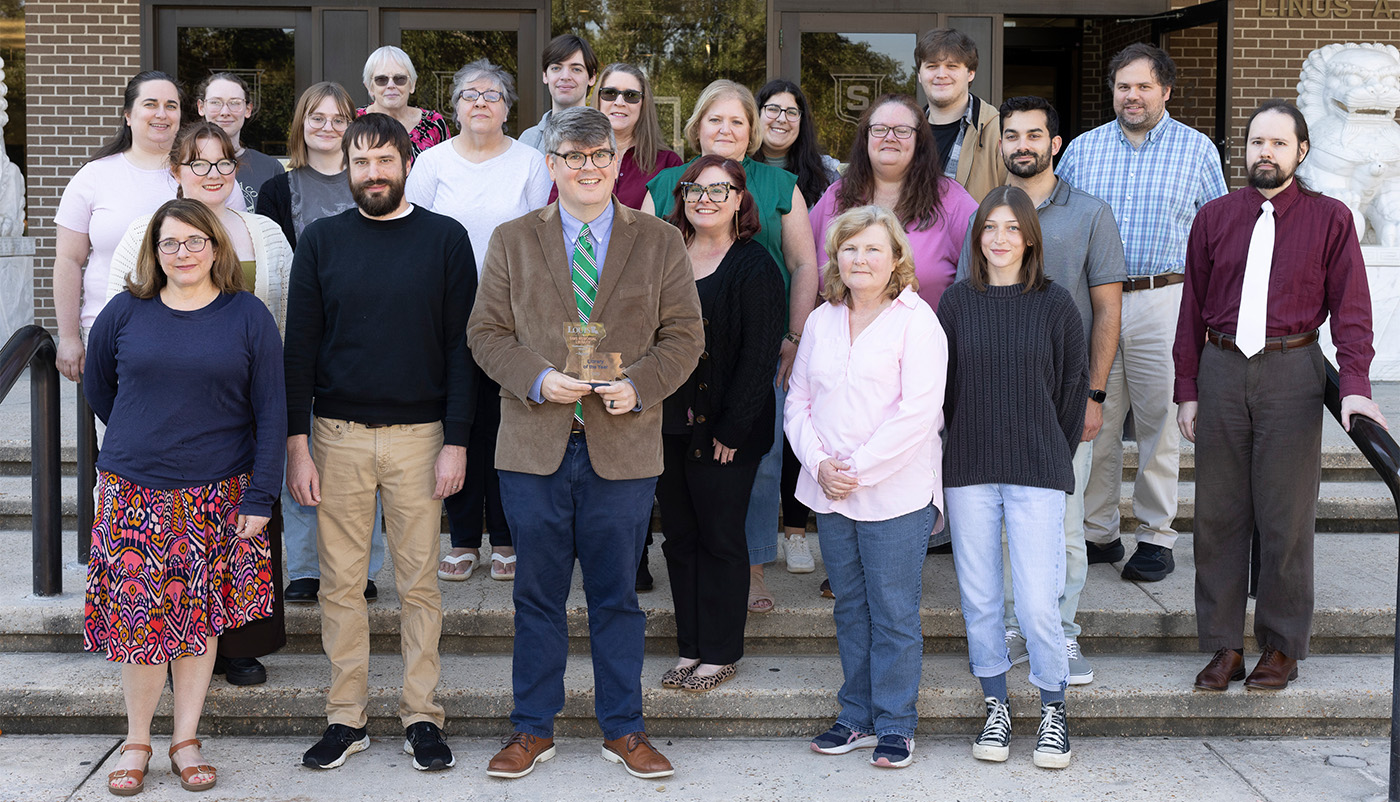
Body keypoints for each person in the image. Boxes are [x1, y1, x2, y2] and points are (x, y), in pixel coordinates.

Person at [469, 106, 702, 781]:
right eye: (573, 155)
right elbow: (486, 333)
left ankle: (624, 729)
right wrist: (538, 379)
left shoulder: (659, 240)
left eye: (600, 155)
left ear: (617, 163)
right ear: (552, 165)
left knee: (616, 599)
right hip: (534, 446)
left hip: (622, 447)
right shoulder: (513, 240)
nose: (588, 166)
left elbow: (685, 335)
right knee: (536, 596)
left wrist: (642, 386)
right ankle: (531, 729)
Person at [285, 113, 476, 773]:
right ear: (348, 168)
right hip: (335, 436)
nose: (372, 173)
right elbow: (298, 349)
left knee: (419, 584)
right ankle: (347, 718)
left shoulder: (445, 240)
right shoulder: (321, 242)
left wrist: (457, 440)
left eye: (383, 161)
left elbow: (461, 349)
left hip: (421, 440)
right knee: (341, 584)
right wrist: (295, 442)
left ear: (406, 164)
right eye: (360, 162)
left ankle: (422, 716)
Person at [1175, 100, 1386, 692]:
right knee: (1217, 515)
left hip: (1292, 372)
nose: (1264, 152)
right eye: (1256, 142)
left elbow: (1351, 311)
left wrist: (1355, 386)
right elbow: (1191, 307)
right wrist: (1187, 388)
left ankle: (1280, 646)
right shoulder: (1214, 217)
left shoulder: (1331, 219)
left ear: (1301, 151)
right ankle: (1222, 645)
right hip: (1220, 369)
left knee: (1285, 515)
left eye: (1277, 143)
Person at [84, 197, 286, 795]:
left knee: (199, 622)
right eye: (169, 243)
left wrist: (261, 495)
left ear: (216, 248)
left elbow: (272, 412)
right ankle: (138, 739)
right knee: (141, 625)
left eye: (195, 242)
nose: (183, 253)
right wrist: (144, 434)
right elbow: (101, 388)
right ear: (154, 251)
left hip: (219, 491)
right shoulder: (125, 312)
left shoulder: (247, 315)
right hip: (134, 490)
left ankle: (186, 738)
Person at [103, 121, 295, 688]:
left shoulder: (264, 232)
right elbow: (117, 337)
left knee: (239, 537)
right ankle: (162, 648)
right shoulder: (150, 229)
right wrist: (143, 420)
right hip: (165, 417)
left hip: (244, 397)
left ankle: (237, 645)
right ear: (177, 171)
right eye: (198, 164)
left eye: (223, 163)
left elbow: (281, 317)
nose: (212, 174)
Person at [954, 96, 1126, 686]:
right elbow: (963, 310)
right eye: (1011, 134)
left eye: (1035, 133)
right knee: (997, 534)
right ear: (999, 144)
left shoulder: (1091, 213)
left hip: (1061, 397)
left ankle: (1061, 630)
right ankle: (1011, 626)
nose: (1021, 143)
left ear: (1056, 143)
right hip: (990, 406)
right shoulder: (985, 213)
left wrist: (1095, 397)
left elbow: (1106, 309)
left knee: (1064, 525)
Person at [645, 79, 820, 615]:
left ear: (754, 131)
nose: (725, 130)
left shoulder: (780, 184)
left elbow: (804, 264)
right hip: (677, 356)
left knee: (756, 457)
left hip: (753, 347)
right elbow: (642, 269)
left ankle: (751, 566)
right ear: (697, 127)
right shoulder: (667, 183)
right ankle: (701, 565)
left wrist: (793, 338)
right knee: (680, 464)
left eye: (738, 122)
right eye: (715, 120)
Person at [1058, 43, 1227, 583]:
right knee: (1096, 420)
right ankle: (1099, 530)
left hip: (1165, 300)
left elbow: (1218, 237)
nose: (1132, 96)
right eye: (1123, 86)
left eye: (1143, 86)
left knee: (1160, 423)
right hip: (1095, 299)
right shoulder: (1083, 150)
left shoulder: (1197, 150)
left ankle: (1155, 536)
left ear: (1166, 91)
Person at [787, 205, 945, 770]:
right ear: (836, 257)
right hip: (830, 490)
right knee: (851, 607)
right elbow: (798, 400)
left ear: (896, 257)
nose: (860, 258)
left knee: (894, 611)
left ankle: (897, 724)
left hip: (896, 493)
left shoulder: (917, 321)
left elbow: (918, 414)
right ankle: (855, 714)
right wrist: (821, 463)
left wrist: (857, 469)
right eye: (850, 248)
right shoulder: (824, 319)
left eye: (873, 248)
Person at [940, 185, 1086, 770]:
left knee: (1035, 602)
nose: (999, 238)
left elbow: (1073, 391)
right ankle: (995, 705)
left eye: (1011, 228)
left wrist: (1051, 449)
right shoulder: (955, 303)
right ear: (977, 237)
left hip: (1036, 470)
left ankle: (1054, 708)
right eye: (988, 228)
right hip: (970, 468)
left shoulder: (1055, 304)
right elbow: (941, 393)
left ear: (1030, 237)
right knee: (979, 599)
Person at [405, 58, 550, 582]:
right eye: (470, 94)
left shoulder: (530, 163)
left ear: (508, 108)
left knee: (506, 422)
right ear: (456, 106)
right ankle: (465, 539)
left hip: (513, 314)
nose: (481, 102)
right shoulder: (432, 162)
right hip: (447, 310)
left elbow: (538, 239)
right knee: (459, 422)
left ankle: (507, 539)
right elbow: (414, 238)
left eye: (493, 94)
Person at [257, 81, 390, 605]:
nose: (328, 127)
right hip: (298, 334)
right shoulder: (277, 188)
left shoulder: (374, 179)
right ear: (301, 124)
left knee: (366, 461)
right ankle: (307, 567)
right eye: (317, 117)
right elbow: (274, 262)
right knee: (301, 449)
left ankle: (366, 565)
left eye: (339, 118)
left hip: (364, 339)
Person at [657, 155, 785, 692]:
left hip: (726, 431)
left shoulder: (754, 264)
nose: (704, 198)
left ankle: (722, 651)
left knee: (721, 538)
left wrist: (732, 430)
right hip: (666, 423)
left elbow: (760, 355)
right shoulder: (664, 257)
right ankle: (691, 647)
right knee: (679, 538)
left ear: (739, 201)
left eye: (718, 189)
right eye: (693, 189)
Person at [756, 78, 840, 578]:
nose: (782, 119)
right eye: (772, 109)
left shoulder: (822, 177)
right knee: (767, 432)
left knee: (802, 425)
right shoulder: (728, 172)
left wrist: (801, 327)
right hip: (755, 320)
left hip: (808, 317)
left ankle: (796, 530)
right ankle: (765, 536)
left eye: (792, 111)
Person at [54, 71, 182, 384]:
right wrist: (69, 336)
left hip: (186, 328)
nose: (162, 114)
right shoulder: (94, 176)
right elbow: (68, 260)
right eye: (150, 104)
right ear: (128, 115)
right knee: (116, 429)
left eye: (171, 105)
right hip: (110, 329)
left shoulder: (202, 175)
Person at [810, 94, 979, 313]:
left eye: (902, 130)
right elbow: (803, 267)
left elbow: (985, 269)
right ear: (866, 138)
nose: (890, 137)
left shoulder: (951, 200)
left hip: (923, 343)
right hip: (841, 341)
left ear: (919, 141)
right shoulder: (836, 197)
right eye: (879, 129)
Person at [547, 62, 684, 210]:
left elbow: (675, 224)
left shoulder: (668, 163)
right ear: (598, 99)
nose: (619, 102)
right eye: (610, 93)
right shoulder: (572, 157)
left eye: (631, 96)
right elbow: (553, 216)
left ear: (643, 104)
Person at [914, 28, 1007, 202]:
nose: (941, 75)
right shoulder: (905, 132)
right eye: (932, 66)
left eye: (952, 66)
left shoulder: (1000, 131)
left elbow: (1015, 203)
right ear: (920, 74)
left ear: (971, 73)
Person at [196, 72, 285, 212]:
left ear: (248, 109)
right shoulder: (186, 164)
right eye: (215, 102)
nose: (225, 111)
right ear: (201, 107)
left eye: (235, 103)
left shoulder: (270, 168)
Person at [357, 46, 451, 159]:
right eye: (381, 79)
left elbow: (447, 169)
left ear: (412, 85)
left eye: (400, 79)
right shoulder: (353, 121)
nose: (391, 85)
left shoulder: (434, 124)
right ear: (370, 87)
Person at [518, 34, 599, 152]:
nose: (565, 76)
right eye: (556, 68)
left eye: (576, 69)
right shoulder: (528, 140)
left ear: (592, 78)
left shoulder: (606, 135)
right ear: (545, 75)